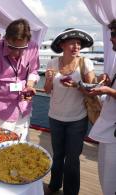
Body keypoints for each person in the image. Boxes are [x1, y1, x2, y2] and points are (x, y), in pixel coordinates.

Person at [44, 28, 95, 195]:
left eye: (79, 43)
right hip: (55, 117)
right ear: (62, 44)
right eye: (72, 42)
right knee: (58, 155)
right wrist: (50, 79)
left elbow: (92, 90)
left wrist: (76, 85)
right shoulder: (52, 63)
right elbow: (47, 90)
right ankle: (54, 184)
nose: (76, 46)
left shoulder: (85, 63)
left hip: (77, 119)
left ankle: (71, 192)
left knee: (72, 159)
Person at [0, 18, 40, 141]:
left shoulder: (33, 47)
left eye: (22, 48)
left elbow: (34, 70)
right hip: (1, 113)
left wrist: (30, 85)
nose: (17, 53)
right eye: (12, 47)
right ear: (5, 38)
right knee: (2, 148)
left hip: (24, 108)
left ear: (28, 41)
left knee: (22, 145)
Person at [87, 19, 116, 195]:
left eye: (113, 34)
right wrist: (108, 81)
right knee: (105, 176)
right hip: (108, 128)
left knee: (111, 181)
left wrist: (107, 90)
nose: (110, 39)